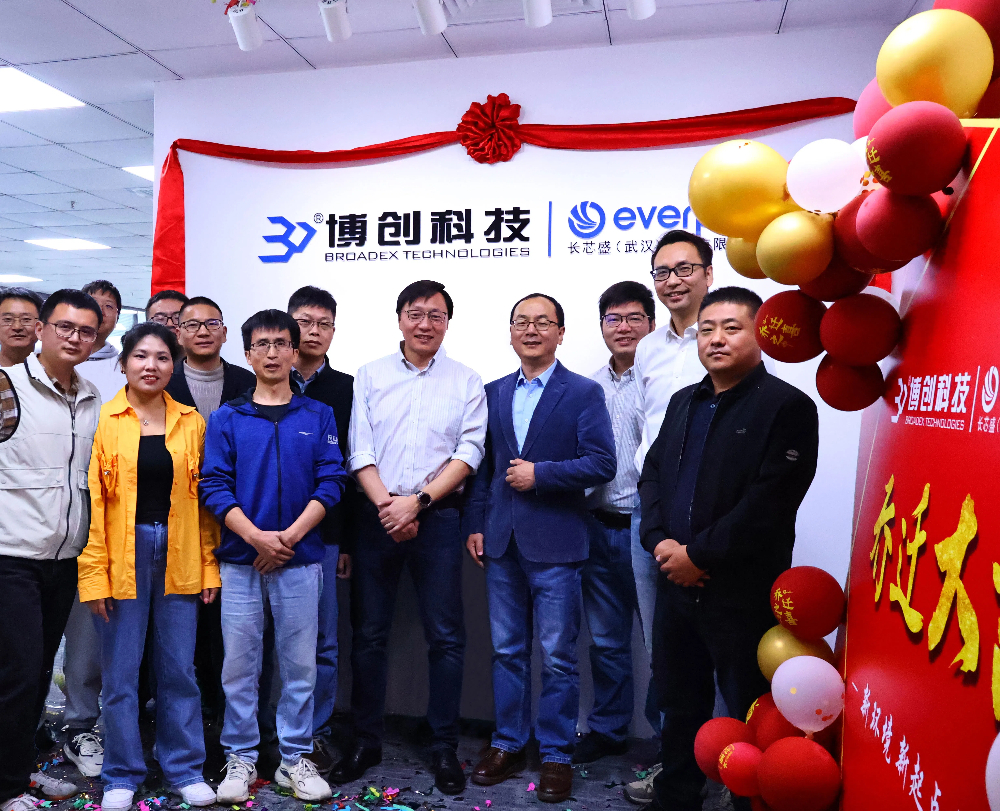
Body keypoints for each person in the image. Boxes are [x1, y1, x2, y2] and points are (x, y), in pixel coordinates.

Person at [639, 287, 819, 811]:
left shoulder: (787, 406)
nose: (716, 339)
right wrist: (661, 543)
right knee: (678, 701)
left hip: (741, 590)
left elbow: (770, 502)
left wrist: (698, 555)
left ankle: (747, 800)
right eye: (707, 329)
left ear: (759, 334)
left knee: (747, 707)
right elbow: (653, 474)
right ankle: (675, 794)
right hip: (676, 583)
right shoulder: (684, 401)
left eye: (732, 328)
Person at [336, 280, 486, 795]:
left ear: (448, 322)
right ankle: (366, 741)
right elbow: (359, 449)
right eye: (415, 313)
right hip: (377, 517)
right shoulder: (370, 374)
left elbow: (470, 452)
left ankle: (443, 745)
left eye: (436, 315)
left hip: (437, 518)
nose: (425, 324)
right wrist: (389, 507)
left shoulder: (466, 380)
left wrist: (417, 503)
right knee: (368, 635)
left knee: (446, 637)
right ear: (400, 318)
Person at [466, 293, 616, 804]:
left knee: (557, 656)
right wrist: (476, 523)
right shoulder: (491, 392)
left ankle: (556, 753)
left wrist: (542, 475)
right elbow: (482, 469)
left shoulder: (583, 392)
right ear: (510, 332)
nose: (531, 330)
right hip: (500, 543)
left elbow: (602, 462)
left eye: (542, 322)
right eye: (521, 322)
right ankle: (507, 743)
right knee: (507, 651)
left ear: (560, 332)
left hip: (557, 543)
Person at [200, 310, 346, 804]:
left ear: (294, 351)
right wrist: (257, 539)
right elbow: (213, 485)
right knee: (239, 668)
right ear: (247, 354)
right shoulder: (227, 418)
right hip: (241, 563)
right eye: (261, 344)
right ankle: (241, 757)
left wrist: (287, 539)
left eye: (281, 343)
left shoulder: (317, 415)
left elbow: (332, 481)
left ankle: (293, 759)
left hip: (300, 561)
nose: (272, 353)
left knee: (300, 667)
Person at [78, 322, 220, 811]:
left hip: (180, 551)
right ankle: (121, 773)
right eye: (140, 356)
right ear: (123, 364)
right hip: (123, 554)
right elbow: (95, 504)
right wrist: (95, 576)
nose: (151, 366)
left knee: (179, 669)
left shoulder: (191, 421)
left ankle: (184, 769)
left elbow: (204, 504)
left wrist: (209, 567)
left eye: (161, 357)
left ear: (173, 366)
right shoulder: (105, 420)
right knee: (120, 673)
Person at [0, 290, 103, 811]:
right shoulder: (6, 386)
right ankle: (5, 788)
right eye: (65, 327)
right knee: (16, 673)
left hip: (64, 560)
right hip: (10, 555)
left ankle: (18, 772)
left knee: (40, 674)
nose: (75, 338)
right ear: (41, 330)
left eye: (86, 331)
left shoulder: (91, 397)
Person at [625, 229, 714, 802]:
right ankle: (675, 762)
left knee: (721, 644)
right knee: (664, 647)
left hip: (713, 510)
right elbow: (645, 427)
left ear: (709, 273)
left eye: (685, 269)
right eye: (662, 272)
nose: (673, 281)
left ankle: (725, 764)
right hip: (652, 507)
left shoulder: (730, 333)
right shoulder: (649, 349)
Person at [164, 295, 257, 726]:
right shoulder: (162, 381)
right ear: (179, 333)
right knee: (180, 628)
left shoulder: (247, 382)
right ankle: (177, 720)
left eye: (211, 323)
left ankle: (227, 723)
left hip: (238, 519)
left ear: (225, 332)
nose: (202, 331)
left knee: (231, 629)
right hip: (175, 522)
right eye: (192, 324)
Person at [575, 281, 655, 765]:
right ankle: (608, 729)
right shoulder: (588, 388)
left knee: (661, 641)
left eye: (633, 318)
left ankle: (670, 741)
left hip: (650, 532)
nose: (623, 327)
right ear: (602, 326)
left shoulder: (666, 381)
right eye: (613, 319)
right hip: (596, 526)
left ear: (651, 324)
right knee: (605, 642)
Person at [286, 286, 355, 772]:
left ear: (333, 330)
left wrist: (346, 540)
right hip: (265, 534)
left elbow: (351, 466)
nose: (313, 331)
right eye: (304, 322)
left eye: (323, 324)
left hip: (326, 536)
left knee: (323, 641)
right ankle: (271, 731)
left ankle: (316, 733)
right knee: (270, 640)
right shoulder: (262, 381)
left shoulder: (349, 388)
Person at [60, 280, 124, 779]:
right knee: (35, 646)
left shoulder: (112, 380)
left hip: (100, 526)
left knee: (92, 638)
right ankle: (50, 728)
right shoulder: (23, 383)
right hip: (35, 536)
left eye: (105, 312)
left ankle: (86, 724)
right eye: (71, 325)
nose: (83, 332)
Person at [0, 287, 43, 368]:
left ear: (40, 327)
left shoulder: (55, 372)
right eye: (8, 319)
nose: (17, 327)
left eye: (26, 319)